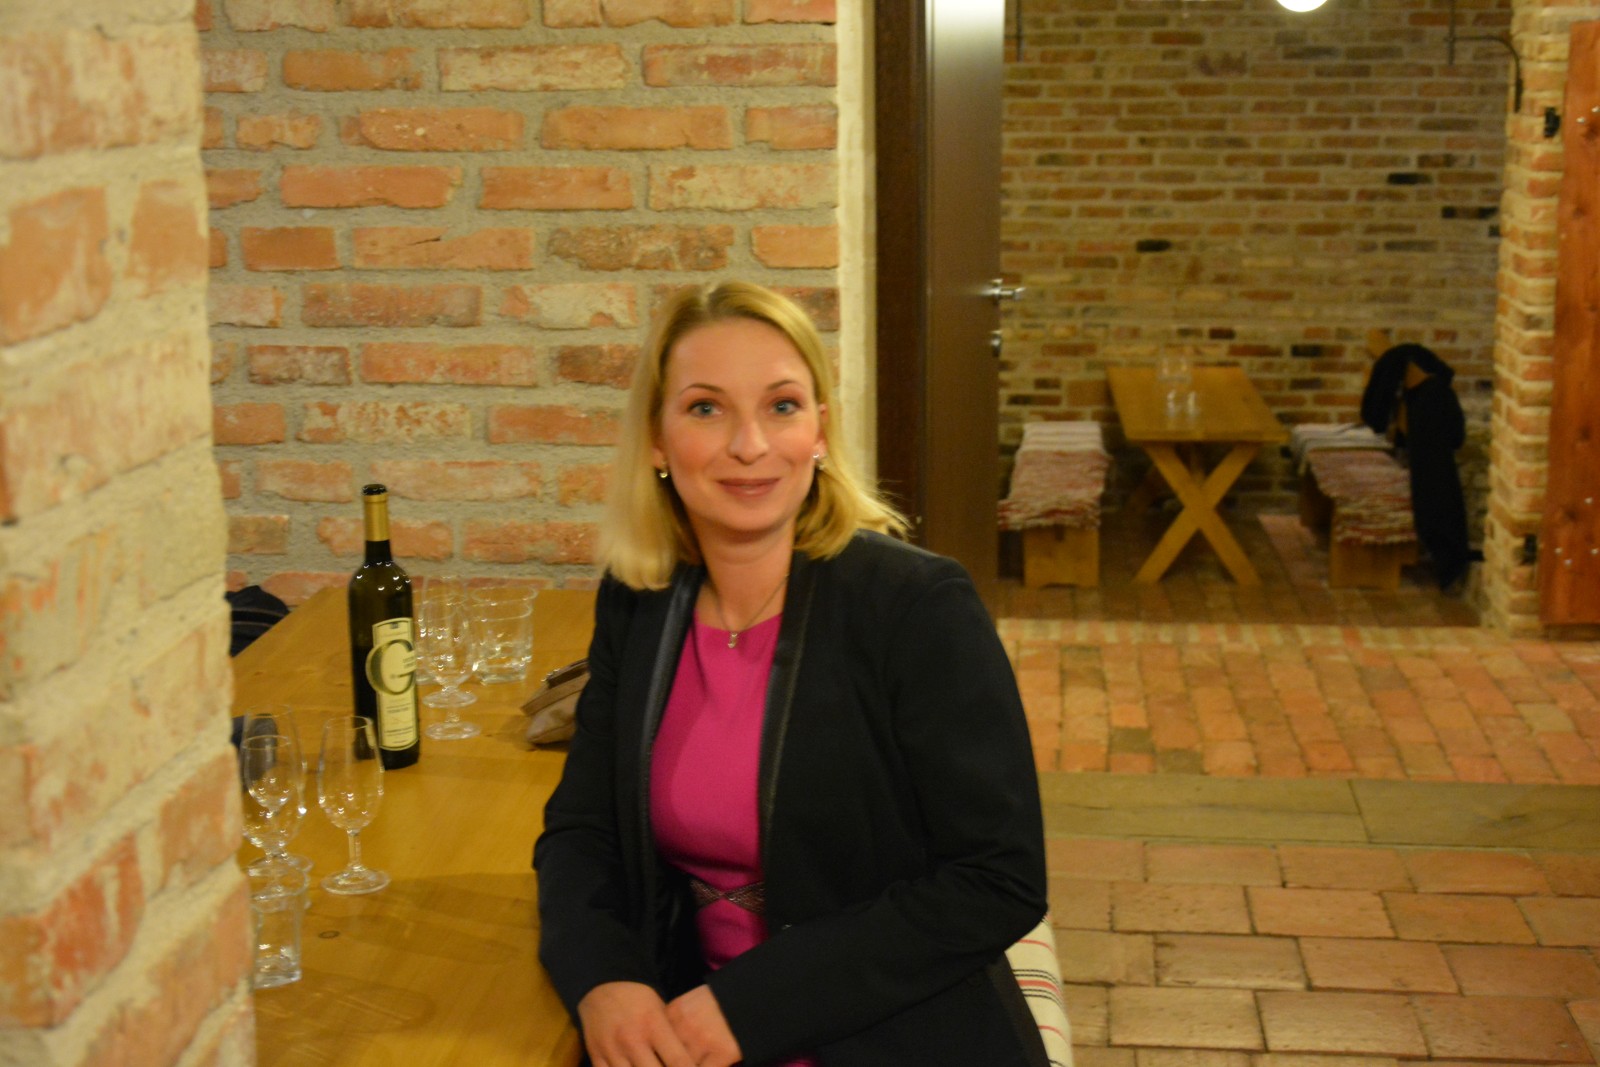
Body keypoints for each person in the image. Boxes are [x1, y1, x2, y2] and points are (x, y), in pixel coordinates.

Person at [534, 281, 1049, 1067]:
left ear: (819, 431)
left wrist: (750, 1006)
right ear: (657, 440)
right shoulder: (640, 602)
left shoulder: (916, 606)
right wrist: (603, 976)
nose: (750, 445)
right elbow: (582, 830)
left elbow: (999, 878)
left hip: (887, 1033)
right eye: (706, 408)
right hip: (683, 1024)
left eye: (781, 406)